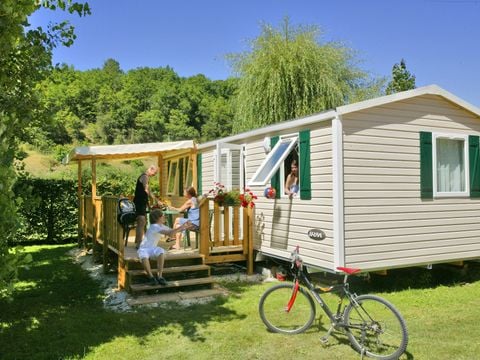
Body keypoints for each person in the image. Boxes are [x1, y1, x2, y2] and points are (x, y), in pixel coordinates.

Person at [137, 209, 185, 286]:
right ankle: (151, 277)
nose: (164, 217)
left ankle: (160, 276)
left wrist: (185, 227)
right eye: (162, 216)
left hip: (152, 248)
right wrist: (182, 226)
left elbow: (172, 231)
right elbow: (170, 233)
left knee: (161, 251)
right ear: (157, 218)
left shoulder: (161, 226)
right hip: (144, 248)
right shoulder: (154, 226)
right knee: (144, 256)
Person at [133, 165, 158, 248]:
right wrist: (154, 200)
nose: (154, 175)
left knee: (143, 222)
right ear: (150, 169)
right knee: (142, 221)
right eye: (154, 173)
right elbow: (146, 190)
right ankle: (139, 244)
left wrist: (149, 203)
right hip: (139, 203)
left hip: (141, 202)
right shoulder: (145, 177)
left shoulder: (145, 177)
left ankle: (138, 241)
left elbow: (147, 191)